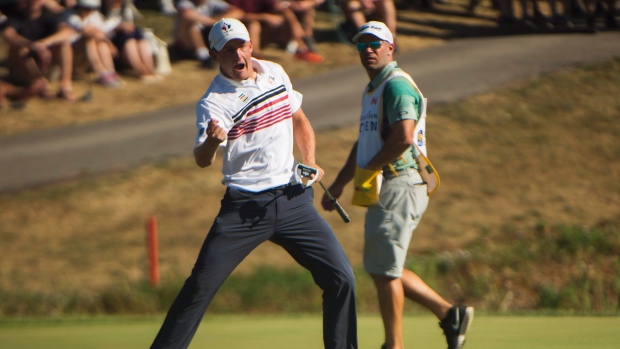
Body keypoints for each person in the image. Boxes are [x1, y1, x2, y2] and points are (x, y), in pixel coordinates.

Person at [149, 18, 358, 349]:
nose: (238, 55)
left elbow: (299, 120)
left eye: (242, 46)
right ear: (215, 54)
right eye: (228, 50)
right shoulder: (213, 102)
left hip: (294, 201)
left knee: (342, 278)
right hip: (243, 210)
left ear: (250, 45)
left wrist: (310, 159)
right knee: (199, 288)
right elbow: (202, 159)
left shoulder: (274, 71)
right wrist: (211, 142)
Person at [320, 21, 473, 349]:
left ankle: (394, 345)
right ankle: (449, 314)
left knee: (384, 270)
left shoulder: (395, 85)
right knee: (383, 267)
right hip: (389, 183)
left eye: (375, 44)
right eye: (362, 45)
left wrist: (369, 171)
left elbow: (403, 138)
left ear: (391, 47)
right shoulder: (374, 88)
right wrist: (339, 184)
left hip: (399, 182)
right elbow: (365, 142)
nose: (369, 50)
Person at [2, 0, 77, 101]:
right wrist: (30, 45)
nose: (33, 2)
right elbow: (8, 34)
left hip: (47, 63)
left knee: (64, 44)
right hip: (24, 69)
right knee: (20, 50)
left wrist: (43, 43)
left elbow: (68, 32)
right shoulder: (15, 18)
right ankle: (41, 84)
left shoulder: (49, 17)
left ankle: (65, 85)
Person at [226, 0, 324, 62]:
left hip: (267, 30)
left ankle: (301, 47)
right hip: (245, 30)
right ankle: (256, 56)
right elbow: (239, 15)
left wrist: (294, 25)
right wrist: (265, 17)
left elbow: (278, 5)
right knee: (254, 24)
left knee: (285, 13)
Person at [171, 0, 243, 68]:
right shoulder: (185, 3)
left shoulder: (211, 2)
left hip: (205, 36)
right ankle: (203, 56)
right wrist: (212, 22)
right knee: (192, 25)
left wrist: (220, 20)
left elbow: (238, 12)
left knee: (225, 26)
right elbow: (186, 14)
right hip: (185, 43)